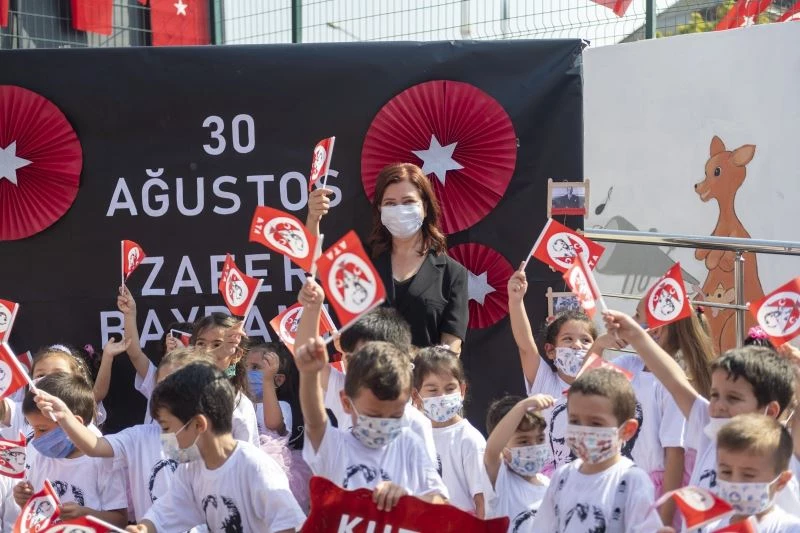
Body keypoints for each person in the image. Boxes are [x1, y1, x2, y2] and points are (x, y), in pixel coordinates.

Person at [602, 310, 800, 514]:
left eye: (734, 398)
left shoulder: (784, 449)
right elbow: (674, 380)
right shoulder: (711, 431)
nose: (719, 405)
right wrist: (635, 333)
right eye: (715, 395)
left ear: (770, 411)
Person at [31, 348, 214, 523]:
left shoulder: (217, 441)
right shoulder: (139, 438)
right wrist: (64, 415)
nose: (169, 394)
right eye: (162, 386)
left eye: (179, 385)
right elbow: (94, 446)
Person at [124, 362, 305, 532]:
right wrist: (144, 528)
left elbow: (288, 524)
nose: (164, 437)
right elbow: (168, 510)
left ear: (198, 425)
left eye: (166, 428)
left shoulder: (254, 467)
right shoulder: (190, 468)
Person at [307, 162, 468, 351]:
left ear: (424, 207)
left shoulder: (452, 273)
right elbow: (316, 269)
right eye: (390, 203)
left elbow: (451, 347)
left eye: (408, 201)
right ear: (380, 209)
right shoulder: (362, 259)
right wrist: (313, 219)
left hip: (423, 378)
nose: (400, 209)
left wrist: (411, 359)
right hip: (368, 377)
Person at [297, 278, 438, 465]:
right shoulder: (348, 388)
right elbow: (306, 357)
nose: (360, 364)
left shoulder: (416, 424)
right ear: (346, 402)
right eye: (353, 356)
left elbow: (429, 490)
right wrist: (312, 308)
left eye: (368, 355)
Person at [297, 336, 448, 510]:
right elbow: (314, 420)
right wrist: (308, 374)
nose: (384, 422)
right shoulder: (333, 446)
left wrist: (408, 498)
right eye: (374, 415)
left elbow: (440, 501)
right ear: (346, 403)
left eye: (395, 415)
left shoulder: (408, 444)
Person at [531, 368, 663, 532]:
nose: (583, 430)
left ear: (627, 430)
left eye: (596, 423)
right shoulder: (562, 477)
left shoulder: (632, 481)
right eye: (575, 421)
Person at [508, 265, 601, 469]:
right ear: (551, 350)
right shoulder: (545, 381)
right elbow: (525, 346)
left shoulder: (603, 387)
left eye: (585, 340)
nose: (577, 345)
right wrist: (516, 302)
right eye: (568, 339)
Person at [15, 372, 128, 527]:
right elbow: (36, 513)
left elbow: (120, 521)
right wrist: (25, 500)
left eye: (42, 429)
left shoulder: (103, 461)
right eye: (33, 429)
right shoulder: (42, 458)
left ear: (74, 423)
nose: (36, 438)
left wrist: (87, 515)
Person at [659, 414, 800, 533]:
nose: (735, 481)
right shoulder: (711, 527)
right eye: (726, 471)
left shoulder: (790, 528)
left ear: (781, 481)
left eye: (748, 475)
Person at [412, 346, 489, 517]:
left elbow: (483, 500)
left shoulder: (469, 439)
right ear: (416, 396)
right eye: (432, 390)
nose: (441, 396)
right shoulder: (412, 436)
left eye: (449, 388)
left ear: (462, 390)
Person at [247, 342, 311, 512]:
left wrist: (267, 380)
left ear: (279, 379)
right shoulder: (238, 403)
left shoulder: (283, 406)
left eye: (255, 367)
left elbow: (273, 425)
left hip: (272, 475)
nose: (248, 373)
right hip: (244, 473)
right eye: (244, 367)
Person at [0, 345, 111, 440]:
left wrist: (108, 357)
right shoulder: (22, 412)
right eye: (40, 375)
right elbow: (4, 409)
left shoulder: (88, 427)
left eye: (58, 374)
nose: (48, 380)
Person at [484, 395, 553, 533]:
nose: (534, 446)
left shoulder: (549, 484)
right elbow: (492, 450)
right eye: (523, 441)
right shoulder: (501, 481)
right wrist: (521, 407)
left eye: (540, 439)